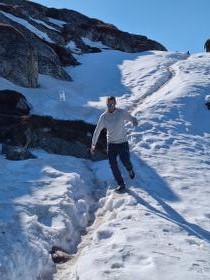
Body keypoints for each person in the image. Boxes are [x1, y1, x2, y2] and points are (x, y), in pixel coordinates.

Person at [90, 96, 138, 191]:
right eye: (108, 105)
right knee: (113, 165)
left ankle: (130, 169)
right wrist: (93, 145)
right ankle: (121, 184)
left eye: (111, 104)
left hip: (123, 142)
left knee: (125, 161)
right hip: (111, 144)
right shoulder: (104, 117)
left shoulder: (121, 113)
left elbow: (131, 118)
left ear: (115, 103)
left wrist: (134, 121)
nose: (110, 106)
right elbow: (97, 131)